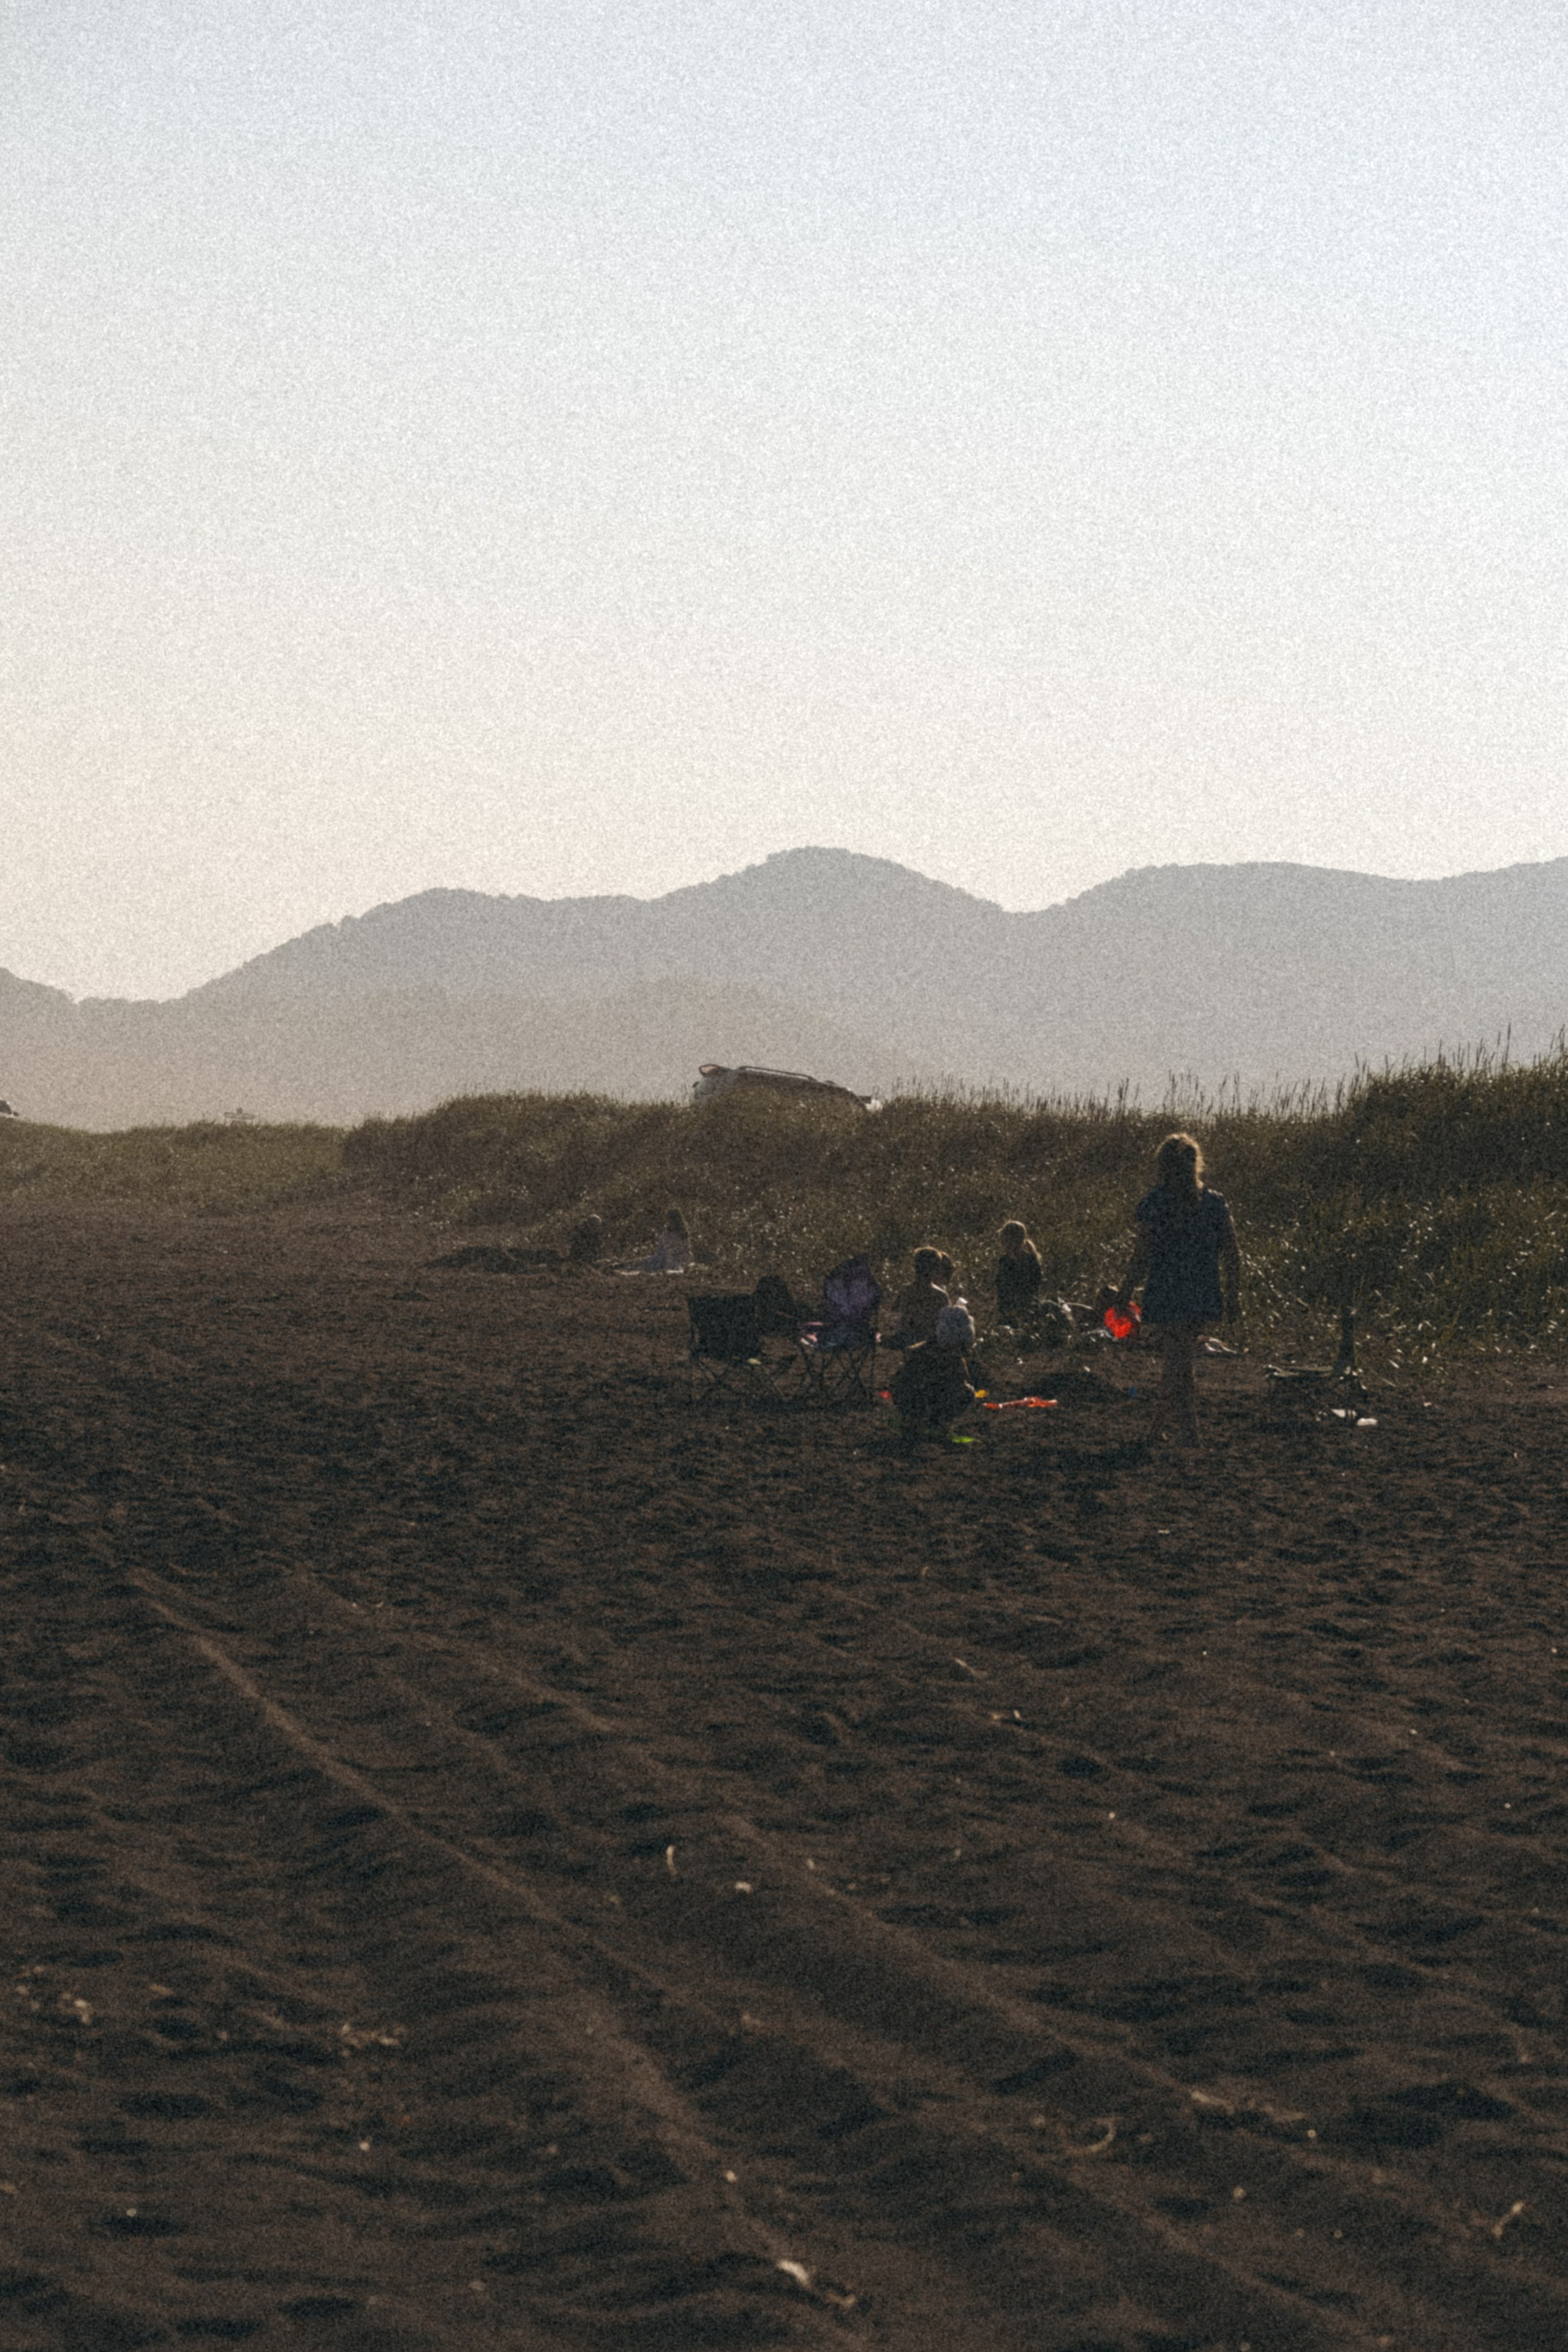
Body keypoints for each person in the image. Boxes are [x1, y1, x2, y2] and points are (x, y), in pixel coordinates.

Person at [1113, 1132, 1239, 1447]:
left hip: (1168, 1289)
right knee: (1180, 1361)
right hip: (1202, 1289)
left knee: (1176, 1362)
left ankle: (1177, 1430)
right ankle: (1175, 1429)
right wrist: (1233, 1294)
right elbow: (1233, 1253)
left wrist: (1125, 1291)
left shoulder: (1155, 1203)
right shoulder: (1213, 1203)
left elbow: (1141, 1255)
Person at [889, 1303, 979, 1439]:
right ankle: (937, 1422)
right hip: (922, 1398)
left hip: (909, 1400)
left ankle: (912, 1420)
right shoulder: (954, 1359)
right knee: (968, 1393)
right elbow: (959, 1383)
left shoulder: (919, 1351)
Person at [886, 1248, 951, 1346]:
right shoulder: (941, 1295)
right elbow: (947, 1321)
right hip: (929, 1342)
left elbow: (894, 1310)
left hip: (905, 1338)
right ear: (936, 1269)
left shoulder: (906, 1290)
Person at [995, 1221, 1043, 1327]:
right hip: (1007, 1312)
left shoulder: (1031, 1262)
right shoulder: (1004, 1261)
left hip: (1026, 1312)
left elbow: (1031, 1289)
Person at [637, 1208, 693, 1273]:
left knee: (644, 1263)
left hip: (668, 1260)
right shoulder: (683, 1233)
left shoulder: (669, 1234)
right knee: (642, 1261)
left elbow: (669, 1252)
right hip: (681, 1259)